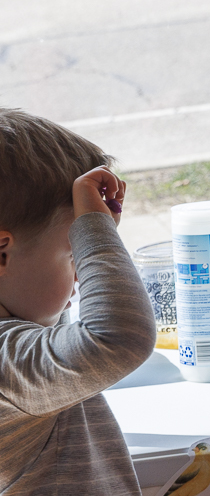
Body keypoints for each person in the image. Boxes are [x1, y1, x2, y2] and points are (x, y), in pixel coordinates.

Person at [0, 110, 156, 496]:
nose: (80, 276)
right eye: (74, 255)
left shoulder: (21, 335)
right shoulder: (7, 363)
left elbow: (48, 308)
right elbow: (117, 338)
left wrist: (90, 232)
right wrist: (95, 232)